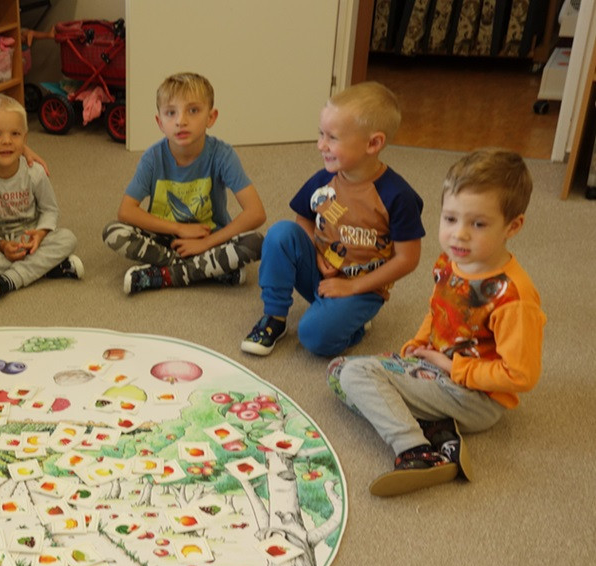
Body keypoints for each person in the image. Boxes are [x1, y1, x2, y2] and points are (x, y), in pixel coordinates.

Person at [327, 148, 544, 496]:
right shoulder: (450, 261)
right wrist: (420, 342)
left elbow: (520, 376)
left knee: (356, 375)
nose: (459, 234)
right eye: (450, 219)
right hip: (440, 371)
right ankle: (440, 433)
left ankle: (416, 450)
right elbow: (439, 310)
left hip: (477, 399)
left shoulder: (513, 296)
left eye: (478, 224)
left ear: (513, 226)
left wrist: (450, 366)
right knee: (339, 371)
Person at [241, 81, 425, 357]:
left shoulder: (397, 196)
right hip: (322, 271)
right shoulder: (324, 179)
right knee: (280, 234)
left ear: (373, 143)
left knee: (313, 336)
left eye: (333, 138)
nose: (320, 145)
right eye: (321, 134)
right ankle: (274, 318)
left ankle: (355, 324)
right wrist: (316, 253)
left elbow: (407, 259)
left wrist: (352, 286)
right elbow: (303, 218)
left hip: (364, 288)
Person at [105, 72, 266, 295]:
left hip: (209, 238)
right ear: (160, 122)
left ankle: (165, 275)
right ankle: (208, 269)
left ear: (211, 117)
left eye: (193, 110)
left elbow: (256, 213)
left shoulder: (222, 155)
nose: (181, 121)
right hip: (163, 239)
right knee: (113, 232)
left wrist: (205, 244)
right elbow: (126, 211)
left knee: (256, 242)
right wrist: (180, 229)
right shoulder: (152, 158)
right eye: (171, 113)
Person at [0, 94, 83, 305]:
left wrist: (41, 233)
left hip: (30, 239)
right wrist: (1, 245)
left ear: (25, 139)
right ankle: (47, 268)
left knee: (68, 238)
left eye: (15, 134)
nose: (7, 141)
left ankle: (8, 280)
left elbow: (50, 210)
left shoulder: (35, 173)